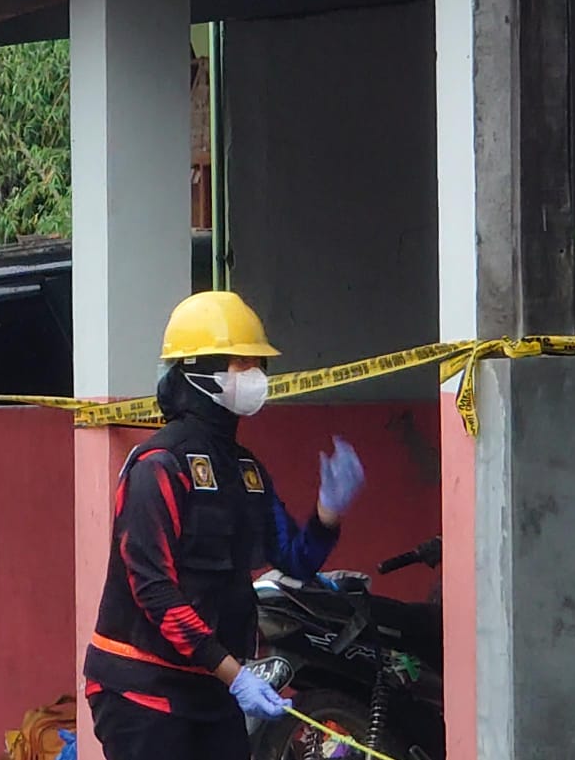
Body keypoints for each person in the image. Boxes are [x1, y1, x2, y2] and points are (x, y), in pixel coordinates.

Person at [84, 291, 366, 760]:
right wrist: (236, 675)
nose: (255, 378)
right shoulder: (159, 467)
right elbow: (154, 591)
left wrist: (327, 514)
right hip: (142, 689)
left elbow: (293, 558)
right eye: (241, 365)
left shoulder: (245, 470)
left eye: (258, 365)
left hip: (212, 689)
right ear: (200, 370)